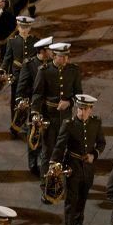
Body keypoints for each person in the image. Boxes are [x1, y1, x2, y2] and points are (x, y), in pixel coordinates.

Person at [49, 94, 106, 225]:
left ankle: (78, 224)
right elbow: (59, 147)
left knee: (82, 199)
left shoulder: (96, 123)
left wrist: (94, 155)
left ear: (90, 109)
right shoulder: (69, 124)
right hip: (72, 168)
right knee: (71, 202)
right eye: (79, 108)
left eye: (85, 109)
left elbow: (101, 143)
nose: (81, 112)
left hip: (87, 170)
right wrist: (54, 165)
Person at [31, 42, 83, 178]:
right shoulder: (44, 71)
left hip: (66, 117)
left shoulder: (73, 70)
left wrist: (69, 102)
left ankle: (58, 179)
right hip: (49, 116)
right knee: (48, 151)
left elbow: (78, 93)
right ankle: (46, 186)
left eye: (67, 57)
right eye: (62, 57)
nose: (65, 60)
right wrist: (35, 114)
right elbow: (37, 94)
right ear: (54, 56)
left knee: (63, 149)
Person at [17, 36, 53, 176]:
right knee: (34, 135)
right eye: (50, 49)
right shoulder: (30, 64)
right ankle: (33, 162)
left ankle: (45, 160)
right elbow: (21, 86)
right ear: (42, 51)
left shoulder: (51, 63)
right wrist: (23, 102)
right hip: (35, 106)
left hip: (49, 106)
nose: (52, 51)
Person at [0, 15, 38, 135]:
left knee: (30, 99)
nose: (24, 29)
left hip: (30, 75)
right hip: (16, 75)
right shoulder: (12, 42)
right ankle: (15, 123)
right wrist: (2, 70)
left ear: (30, 28)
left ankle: (28, 123)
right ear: (18, 26)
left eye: (26, 27)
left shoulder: (35, 42)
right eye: (22, 27)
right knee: (15, 100)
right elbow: (7, 58)